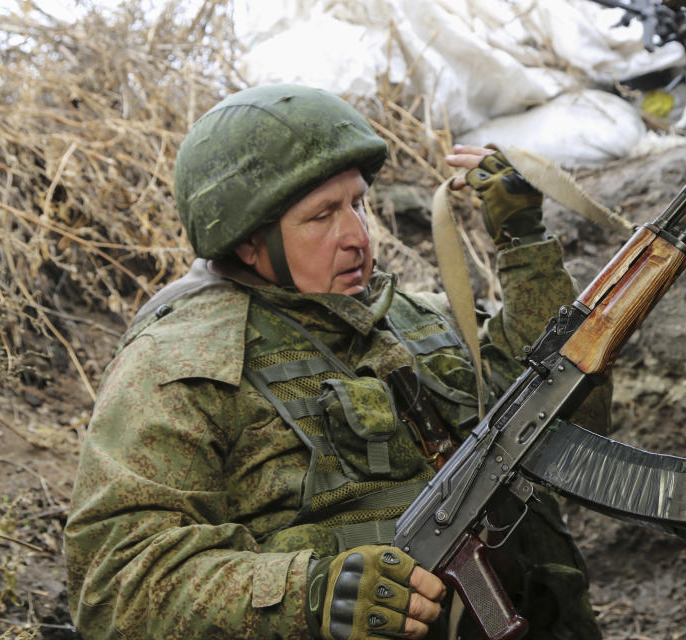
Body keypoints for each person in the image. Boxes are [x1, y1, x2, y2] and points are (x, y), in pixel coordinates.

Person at [65, 84, 611, 640]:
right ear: (248, 240)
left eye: (358, 204)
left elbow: (565, 428)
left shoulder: (422, 319)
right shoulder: (184, 362)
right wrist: (310, 595)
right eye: (322, 216)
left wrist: (524, 245)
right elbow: (116, 581)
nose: (356, 237)